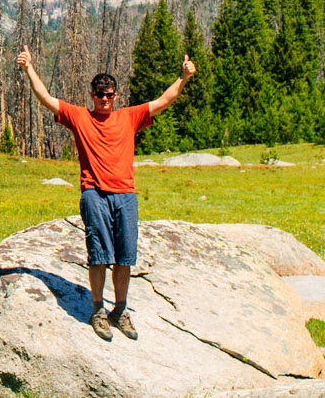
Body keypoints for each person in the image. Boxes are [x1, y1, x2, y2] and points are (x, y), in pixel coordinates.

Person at [16, 44, 196, 341]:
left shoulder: (129, 116)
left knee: (125, 259)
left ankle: (119, 311)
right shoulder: (79, 117)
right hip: (95, 194)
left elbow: (165, 100)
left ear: (115, 96)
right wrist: (29, 68)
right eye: (99, 94)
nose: (103, 99)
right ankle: (98, 310)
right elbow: (46, 98)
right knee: (99, 256)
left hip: (126, 194)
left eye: (108, 94)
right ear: (92, 95)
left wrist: (184, 77)